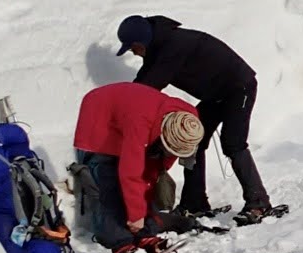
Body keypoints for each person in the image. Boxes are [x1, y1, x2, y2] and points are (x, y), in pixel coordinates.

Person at [117, 14, 284, 225]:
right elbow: (142, 83)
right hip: (216, 95)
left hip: (238, 88)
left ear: (141, 42)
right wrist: (124, 102)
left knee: (233, 144)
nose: (133, 52)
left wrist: (124, 108)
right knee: (192, 141)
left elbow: (149, 87)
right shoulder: (160, 46)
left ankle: (259, 202)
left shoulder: (172, 46)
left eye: (132, 48)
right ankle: (194, 202)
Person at [72, 80, 206, 249]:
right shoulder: (140, 122)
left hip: (132, 114)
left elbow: (159, 164)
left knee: (143, 188)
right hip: (99, 115)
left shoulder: (188, 124)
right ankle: (121, 243)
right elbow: (130, 173)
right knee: (108, 182)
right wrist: (136, 215)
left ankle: (145, 233)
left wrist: (150, 185)